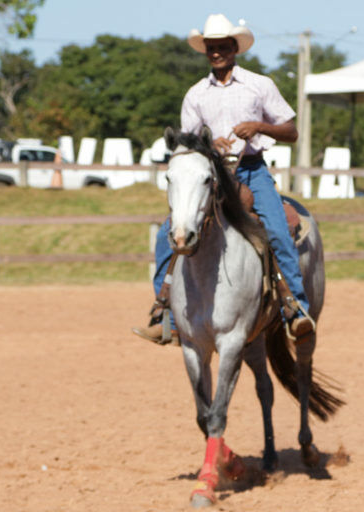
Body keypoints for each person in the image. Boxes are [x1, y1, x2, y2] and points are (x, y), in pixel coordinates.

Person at [133, 13, 313, 345]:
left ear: (234, 47)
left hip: (251, 170)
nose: (217, 52)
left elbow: (291, 131)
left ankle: (295, 308)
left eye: (222, 47)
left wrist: (259, 126)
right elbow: (187, 144)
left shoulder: (260, 85)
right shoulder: (196, 94)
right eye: (211, 47)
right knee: (167, 234)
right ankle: (164, 312)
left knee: (276, 227)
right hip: (212, 175)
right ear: (205, 50)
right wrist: (208, 144)